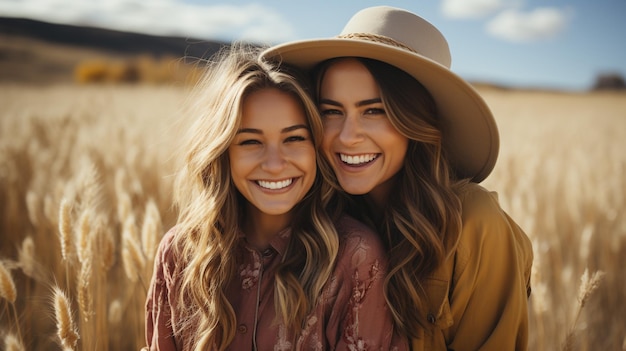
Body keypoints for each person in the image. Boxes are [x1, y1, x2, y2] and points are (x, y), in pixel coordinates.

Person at [261, 6, 534, 350]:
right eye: (332, 111)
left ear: (415, 121)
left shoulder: (471, 223)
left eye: (374, 111)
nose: (347, 136)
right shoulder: (313, 215)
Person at [144, 43, 405, 350]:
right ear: (221, 152)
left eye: (294, 138)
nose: (274, 164)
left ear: (316, 148)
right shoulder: (179, 253)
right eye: (250, 142)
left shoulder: (354, 256)